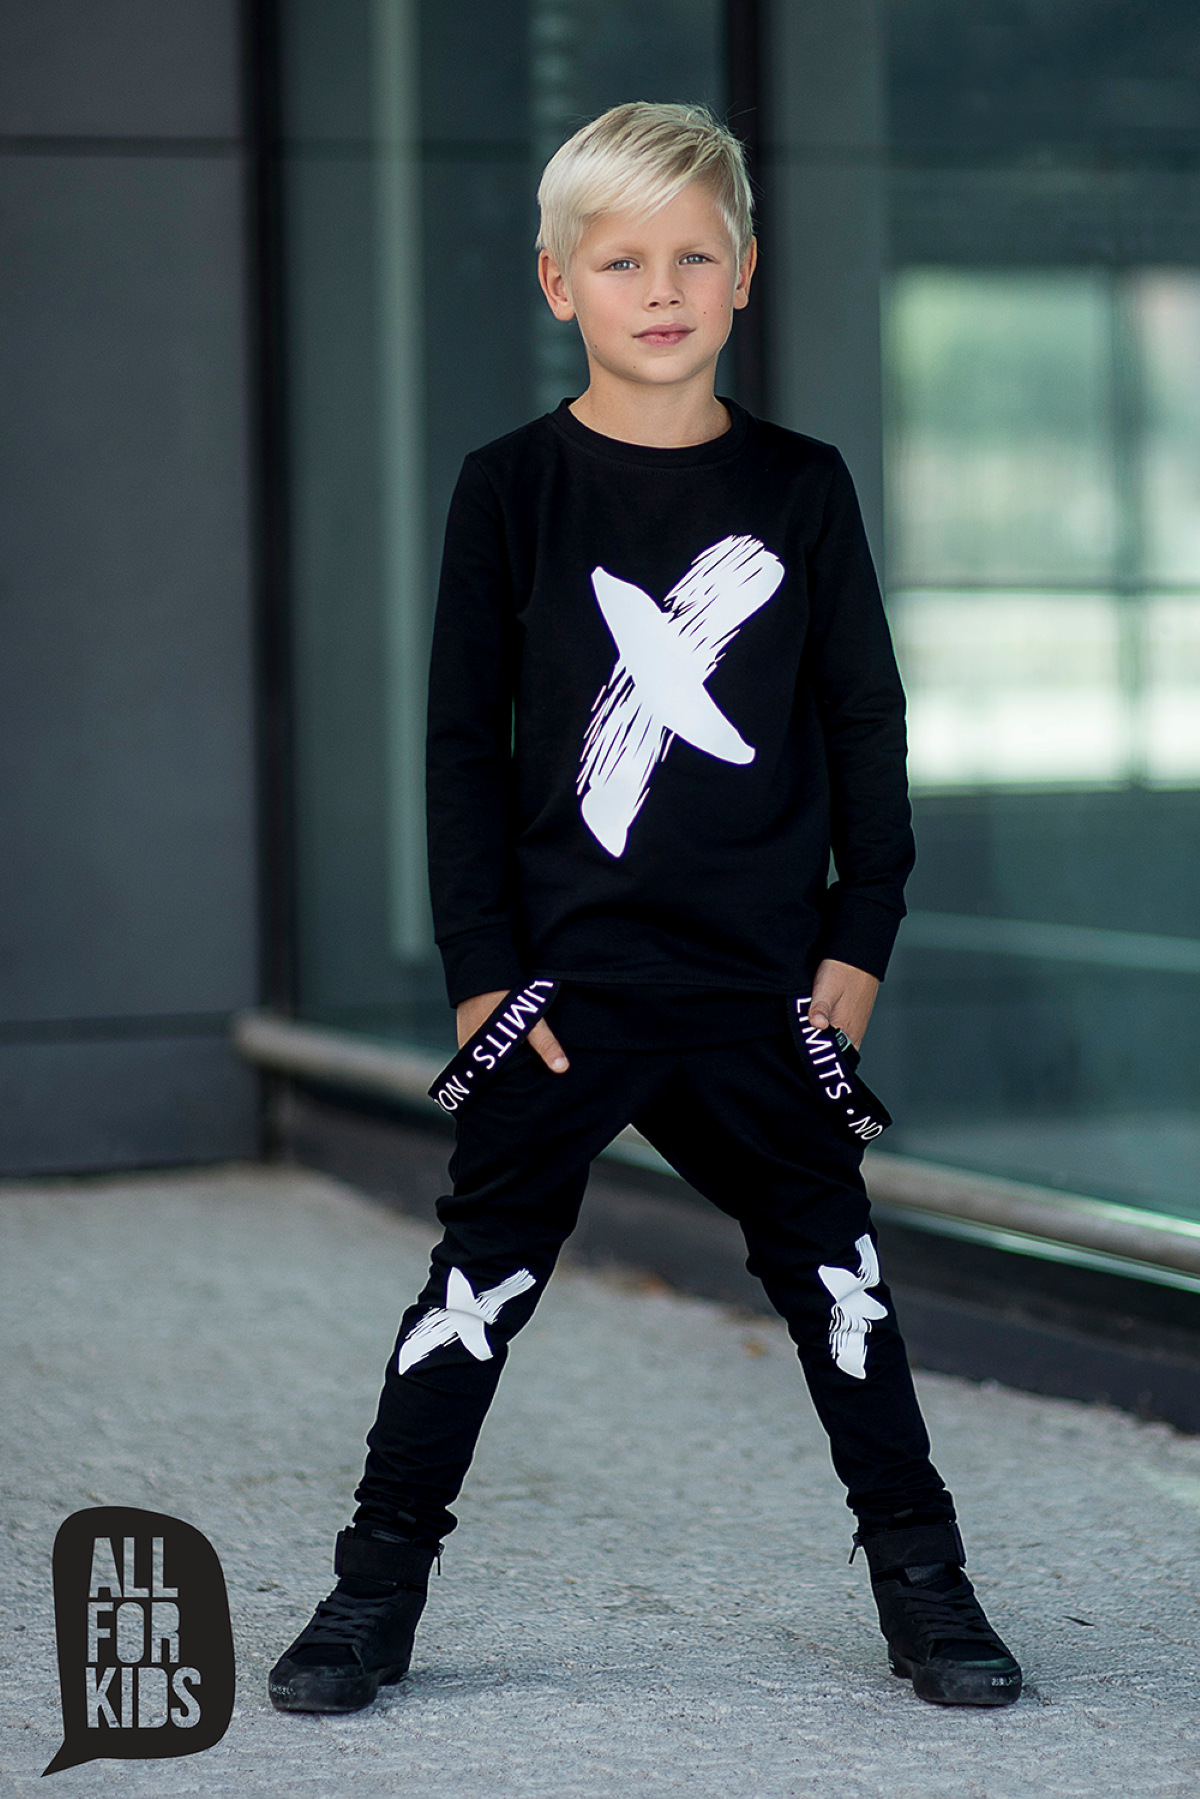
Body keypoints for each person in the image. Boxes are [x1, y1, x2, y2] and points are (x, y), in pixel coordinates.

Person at [269, 101, 1021, 1716]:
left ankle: (926, 1580)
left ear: (744, 272)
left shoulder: (802, 488)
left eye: (693, 256)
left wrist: (861, 935)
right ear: (559, 282)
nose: (661, 289)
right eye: (622, 261)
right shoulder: (511, 490)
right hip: (566, 991)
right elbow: (462, 746)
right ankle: (372, 1585)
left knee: (839, 1279)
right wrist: (483, 966)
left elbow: (867, 721)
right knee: (477, 1280)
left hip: (764, 988)